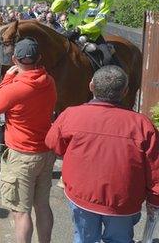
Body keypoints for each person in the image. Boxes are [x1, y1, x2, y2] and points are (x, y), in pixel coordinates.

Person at [45, 66, 159, 243]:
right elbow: (155, 169)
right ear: (126, 91)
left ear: (91, 86)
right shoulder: (142, 124)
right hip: (123, 201)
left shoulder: (71, 114)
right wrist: (154, 200)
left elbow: (54, 145)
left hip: (82, 195)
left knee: (84, 239)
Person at [0, 38, 57, 243]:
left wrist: (7, 78)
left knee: (21, 212)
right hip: (45, 152)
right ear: (39, 58)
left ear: (15, 59)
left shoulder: (15, 88)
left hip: (21, 156)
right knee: (42, 206)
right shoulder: (49, 81)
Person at [51, 0, 115, 65]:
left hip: (91, 36)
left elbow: (100, 22)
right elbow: (55, 8)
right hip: (67, 32)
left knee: (107, 59)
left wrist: (79, 30)